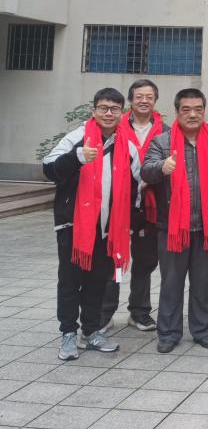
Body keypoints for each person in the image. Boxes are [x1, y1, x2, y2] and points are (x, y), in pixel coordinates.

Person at [43, 88, 140, 360]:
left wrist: (129, 223)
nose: (109, 113)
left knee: (98, 282)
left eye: (115, 109)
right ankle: (68, 333)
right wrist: (76, 158)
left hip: (108, 229)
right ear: (94, 110)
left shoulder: (127, 145)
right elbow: (49, 168)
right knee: (70, 281)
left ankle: (91, 331)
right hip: (74, 227)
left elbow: (136, 187)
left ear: (122, 113)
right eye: (103, 108)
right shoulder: (77, 137)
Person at [141, 89, 208, 353]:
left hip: (207, 226)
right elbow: (145, 171)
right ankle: (168, 333)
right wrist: (161, 167)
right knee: (171, 282)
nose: (193, 114)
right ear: (177, 111)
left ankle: (202, 330)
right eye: (186, 109)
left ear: (204, 110)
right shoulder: (162, 142)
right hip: (171, 226)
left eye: (198, 109)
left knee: (203, 282)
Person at [99, 79, 163, 333]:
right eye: (139, 96)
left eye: (149, 96)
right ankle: (106, 311)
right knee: (114, 260)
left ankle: (139, 311)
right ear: (130, 100)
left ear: (155, 100)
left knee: (145, 262)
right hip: (118, 206)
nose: (144, 101)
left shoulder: (166, 131)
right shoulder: (116, 127)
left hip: (150, 207)